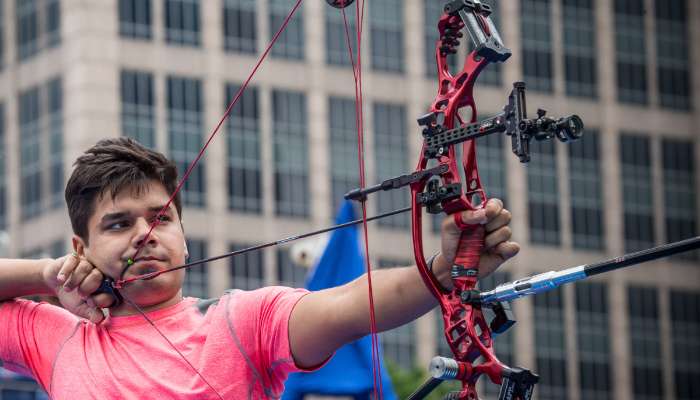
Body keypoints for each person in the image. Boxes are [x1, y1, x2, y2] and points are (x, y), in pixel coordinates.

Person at [0, 137, 519, 399]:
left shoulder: (239, 321)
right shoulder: (57, 338)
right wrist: (48, 274)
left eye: (160, 217)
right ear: (80, 245)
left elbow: (348, 305)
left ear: (182, 232)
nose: (145, 233)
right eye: (117, 224)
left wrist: (443, 269)